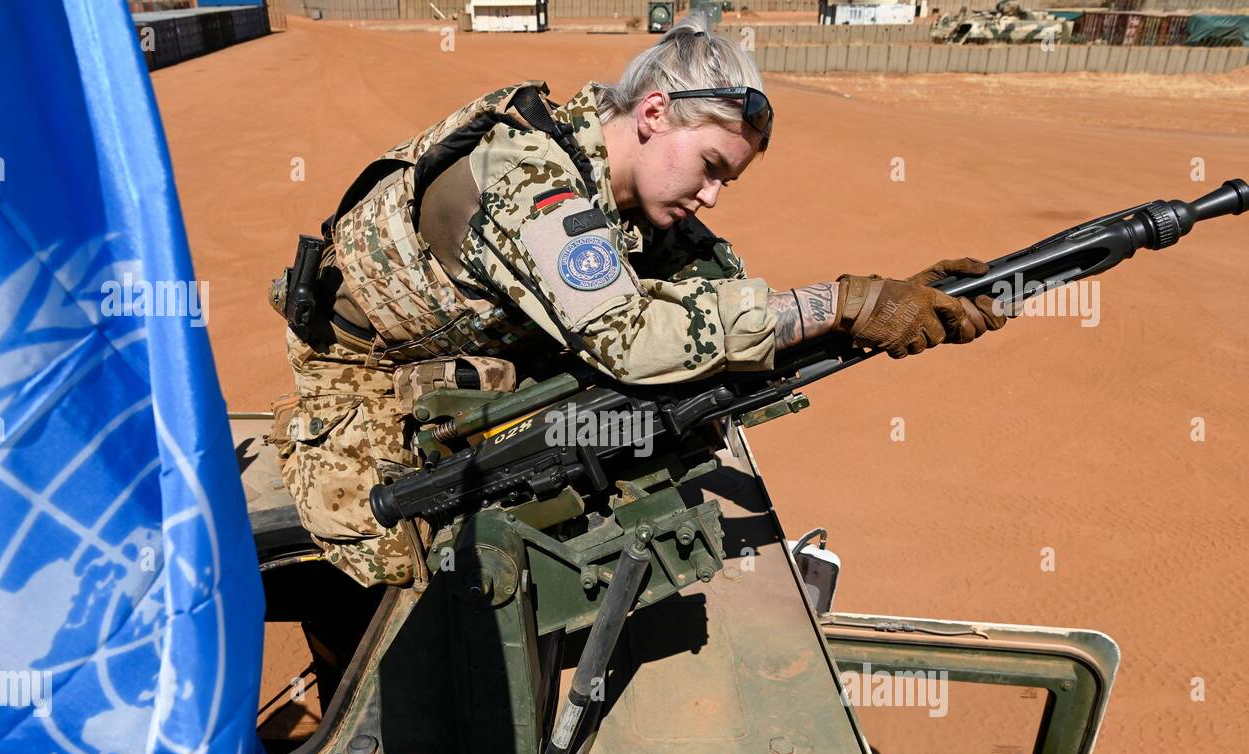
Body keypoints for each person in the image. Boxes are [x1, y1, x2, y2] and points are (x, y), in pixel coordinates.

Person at [268, 13, 1011, 588]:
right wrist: (842, 303)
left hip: (479, 357)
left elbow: (725, 304)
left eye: (729, 181)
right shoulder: (531, 181)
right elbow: (631, 337)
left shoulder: (633, 196)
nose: (713, 196)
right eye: (711, 167)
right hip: (367, 381)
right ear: (654, 114)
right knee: (404, 572)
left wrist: (896, 301)